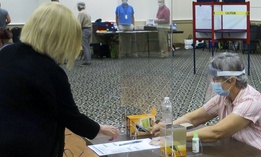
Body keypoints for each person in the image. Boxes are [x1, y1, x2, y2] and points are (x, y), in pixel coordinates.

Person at [0, 2, 119, 157]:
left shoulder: (6, 53)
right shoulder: (49, 70)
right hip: (31, 146)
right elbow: (69, 116)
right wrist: (98, 129)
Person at [152, 52, 261, 150]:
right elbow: (194, 118)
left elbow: (217, 132)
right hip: (235, 146)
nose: (213, 83)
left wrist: (175, 137)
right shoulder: (224, 96)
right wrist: (168, 127)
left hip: (254, 151)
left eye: (216, 80)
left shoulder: (251, 101)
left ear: (232, 80)